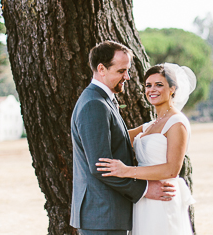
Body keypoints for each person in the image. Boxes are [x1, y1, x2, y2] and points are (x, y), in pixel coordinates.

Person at [70, 41, 176, 235]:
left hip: (107, 216)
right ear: (101, 69)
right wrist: (144, 189)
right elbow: (101, 168)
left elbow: (113, 140)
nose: (127, 76)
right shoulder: (95, 105)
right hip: (103, 215)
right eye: (121, 71)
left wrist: (149, 128)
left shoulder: (102, 100)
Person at [96, 63, 197, 235]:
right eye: (148, 85)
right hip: (145, 197)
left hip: (163, 196)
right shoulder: (149, 126)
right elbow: (117, 138)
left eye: (159, 85)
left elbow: (172, 169)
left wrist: (126, 171)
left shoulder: (177, 123)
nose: (152, 90)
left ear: (173, 89)